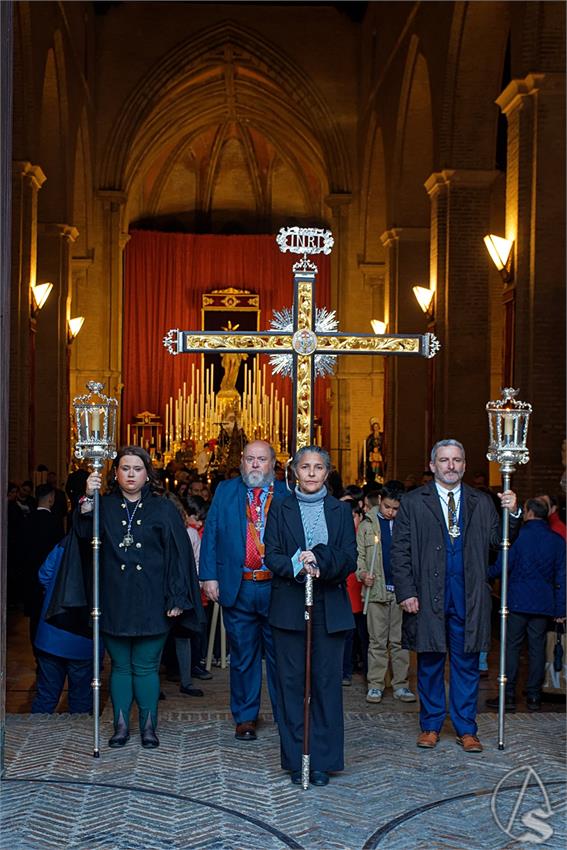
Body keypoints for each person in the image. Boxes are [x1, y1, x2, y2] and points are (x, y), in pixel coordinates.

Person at [391, 439, 521, 754]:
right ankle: (431, 725)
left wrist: (513, 512)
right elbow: (400, 551)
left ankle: (467, 729)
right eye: (445, 460)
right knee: (430, 661)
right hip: (428, 594)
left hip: (468, 595)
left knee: (466, 664)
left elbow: (498, 540)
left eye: (457, 460)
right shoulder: (413, 502)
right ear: (433, 465)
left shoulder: (482, 501)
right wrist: (406, 591)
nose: (451, 465)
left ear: (463, 464)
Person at [73, 446, 204, 749]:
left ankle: (148, 728)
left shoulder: (163, 508)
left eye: (137, 469)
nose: (131, 474)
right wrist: (86, 499)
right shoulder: (102, 505)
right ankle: (120, 726)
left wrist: (177, 597)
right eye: (125, 468)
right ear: (115, 473)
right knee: (120, 666)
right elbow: (81, 534)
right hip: (114, 599)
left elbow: (178, 556)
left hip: (152, 600)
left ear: (147, 474)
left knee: (145, 665)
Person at [264, 446, 357, 786]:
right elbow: (270, 554)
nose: (312, 473)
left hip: (329, 606)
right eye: (306, 467)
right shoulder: (281, 508)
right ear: (295, 472)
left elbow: (350, 557)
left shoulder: (340, 511)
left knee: (325, 684)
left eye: (319, 467)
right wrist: (295, 565)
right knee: (291, 684)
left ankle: (322, 759)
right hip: (290, 605)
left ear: (327, 472)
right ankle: (295, 757)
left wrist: (320, 561)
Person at [200, 440, 286, 741]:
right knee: (243, 656)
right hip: (239, 585)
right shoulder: (226, 491)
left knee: (280, 656)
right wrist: (208, 576)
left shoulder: (288, 493)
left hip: (278, 588)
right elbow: (211, 533)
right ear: (241, 460)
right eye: (250, 459)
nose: (255, 465)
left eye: (261, 459)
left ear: (273, 463)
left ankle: (285, 715)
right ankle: (245, 717)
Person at [486, 498, 565, 712]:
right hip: (543, 603)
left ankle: (509, 695)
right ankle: (534, 697)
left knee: (511, 648)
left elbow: (502, 566)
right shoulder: (557, 541)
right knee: (537, 650)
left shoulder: (518, 536)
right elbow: (562, 576)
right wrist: (561, 609)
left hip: (518, 601)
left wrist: (482, 574)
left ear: (528, 513)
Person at [357, 481, 416, 704]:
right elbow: (359, 556)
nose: (391, 512)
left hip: (401, 592)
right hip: (376, 591)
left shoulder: (407, 524)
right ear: (380, 501)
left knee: (400, 642)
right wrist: (362, 574)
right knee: (377, 642)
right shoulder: (367, 525)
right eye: (387, 507)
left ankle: (401, 685)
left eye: (396, 509)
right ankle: (375, 684)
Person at [32, 538, 94, 714]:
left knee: (46, 696)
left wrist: (54, 595)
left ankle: (36, 737)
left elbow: (44, 574)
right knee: (81, 698)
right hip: (84, 637)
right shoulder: (106, 546)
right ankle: (77, 739)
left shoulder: (64, 543)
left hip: (51, 631)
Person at [23, 483, 65, 649]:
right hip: (50, 575)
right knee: (48, 612)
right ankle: (47, 649)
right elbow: (60, 550)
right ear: (51, 498)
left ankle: (35, 648)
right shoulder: (54, 522)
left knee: (34, 615)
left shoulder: (27, 519)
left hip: (29, 574)